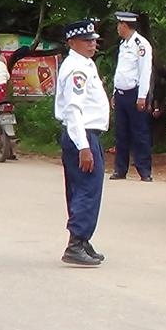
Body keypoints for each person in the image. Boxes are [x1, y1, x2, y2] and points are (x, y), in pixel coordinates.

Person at [55, 20, 110, 266]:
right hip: (82, 134)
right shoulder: (76, 69)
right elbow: (73, 109)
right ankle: (75, 243)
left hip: (86, 134)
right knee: (87, 189)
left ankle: (83, 239)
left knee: (82, 188)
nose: (92, 44)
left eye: (93, 40)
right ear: (72, 43)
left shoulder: (85, 64)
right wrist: (84, 146)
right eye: (86, 41)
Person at [110, 11, 154, 181]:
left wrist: (142, 96)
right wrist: (114, 93)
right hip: (121, 93)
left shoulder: (141, 45)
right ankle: (120, 169)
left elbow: (145, 71)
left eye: (119, 24)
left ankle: (144, 170)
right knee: (121, 133)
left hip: (134, 94)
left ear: (125, 25)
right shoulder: (123, 45)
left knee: (139, 133)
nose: (117, 28)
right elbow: (120, 71)